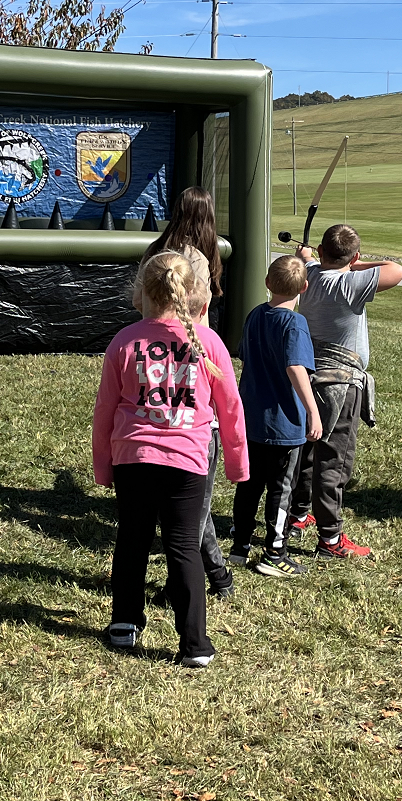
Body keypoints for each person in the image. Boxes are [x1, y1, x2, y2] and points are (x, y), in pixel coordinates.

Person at [93, 252, 248, 668]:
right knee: (183, 548)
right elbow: (231, 410)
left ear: (142, 292)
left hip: (133, 459)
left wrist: (103, 465)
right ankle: (194, 644)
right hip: (187, 462)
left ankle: (124, 622)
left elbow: (105, 410)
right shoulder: (207, 342)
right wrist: (238, 464)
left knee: (132, 540)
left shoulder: (125, 340)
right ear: (194, 292)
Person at [132, 187, 233, 597]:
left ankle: (207, 575)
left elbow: (138, 302)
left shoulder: (157, 250)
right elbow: (199, 317)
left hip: (155, 366)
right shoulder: (198, 260)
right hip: (191, 368)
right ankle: (209, 575)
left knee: (182, 502)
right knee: (192, 501)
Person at [289, 225, 402, 557]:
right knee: (334, 461)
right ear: (353, 257)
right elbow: (396, 270)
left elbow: (309, 261)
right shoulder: (350, 283)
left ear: (321, 251)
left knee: (306, 452)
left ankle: (298, 515)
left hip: (307, 380)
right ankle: (330, 539)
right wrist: (356, 264)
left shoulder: (309, 275)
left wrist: (309, 258)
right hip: (340, 385)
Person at [228, 256, 322, 577]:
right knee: (281, 490)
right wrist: (313, 411)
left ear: (267, 282)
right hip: (284, 425)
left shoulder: (255, 315)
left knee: (249, 485)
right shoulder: (294, 324)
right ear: (305, 287)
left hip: (251, 420)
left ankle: (240, 546)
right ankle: (274, 553)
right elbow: (295, 367)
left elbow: (244, 355)